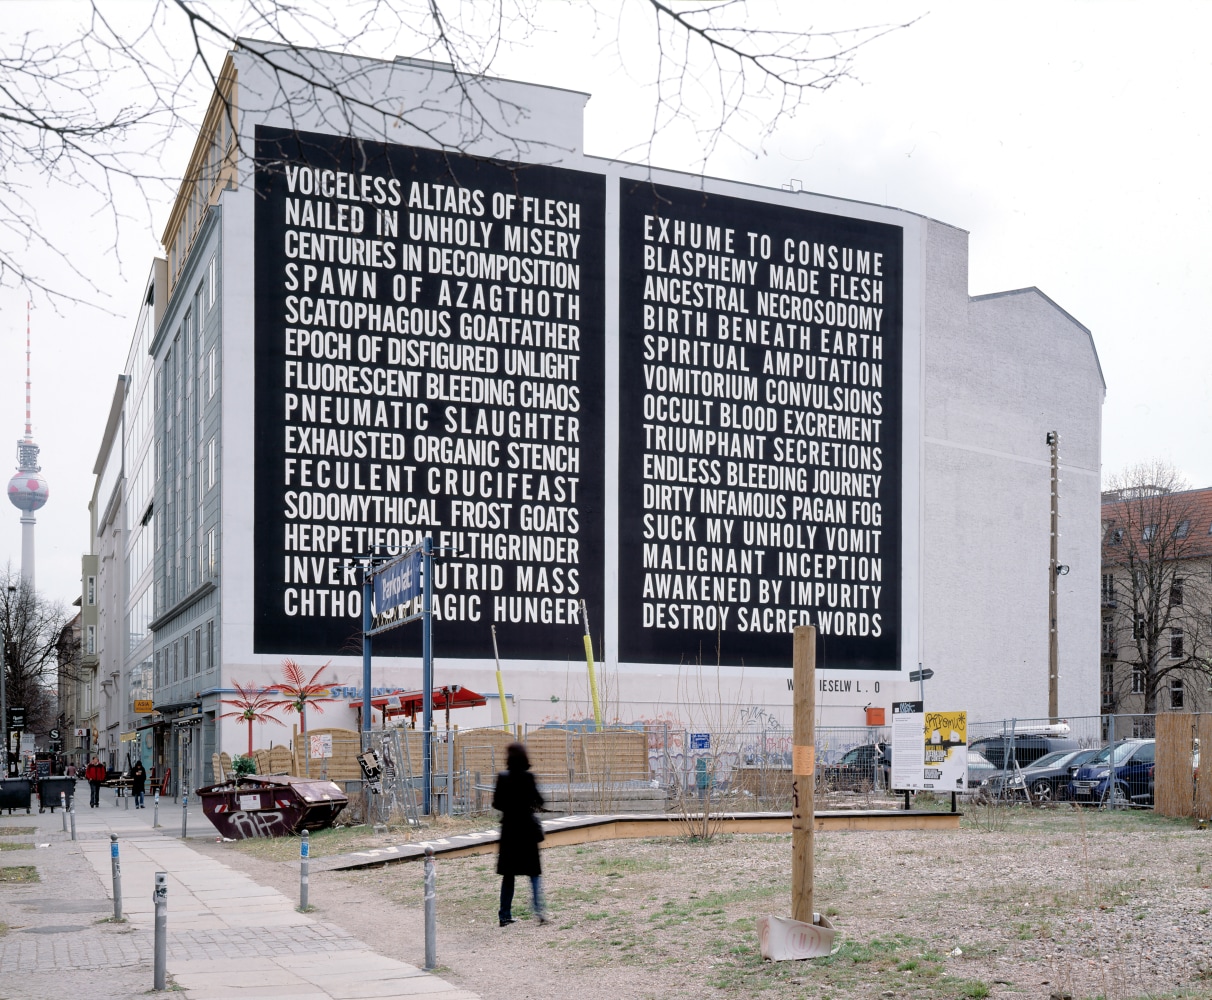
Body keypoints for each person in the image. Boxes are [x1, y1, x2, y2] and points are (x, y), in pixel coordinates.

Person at [492, 742, 547, 926]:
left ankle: (504, 915)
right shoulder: (528, 777)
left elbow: (497, 803)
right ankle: (539, 910)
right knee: (534, 874)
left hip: (509, 830)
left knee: (509, 875)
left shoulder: (502, 777)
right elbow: (539, 800)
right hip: (527, 830)